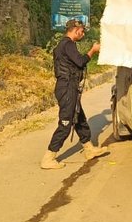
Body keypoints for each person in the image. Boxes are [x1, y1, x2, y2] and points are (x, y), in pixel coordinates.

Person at [41, 19, 108, 169]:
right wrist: (93, 50)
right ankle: (49, 157)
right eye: (82, 31)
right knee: (66, 123)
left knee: (79, 119)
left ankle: (89, 149)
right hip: (67, 88)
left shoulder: (63, 45)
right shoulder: (68, 44)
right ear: (76, 30)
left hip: (68, 87)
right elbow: (80, 61)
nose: (83, 34)